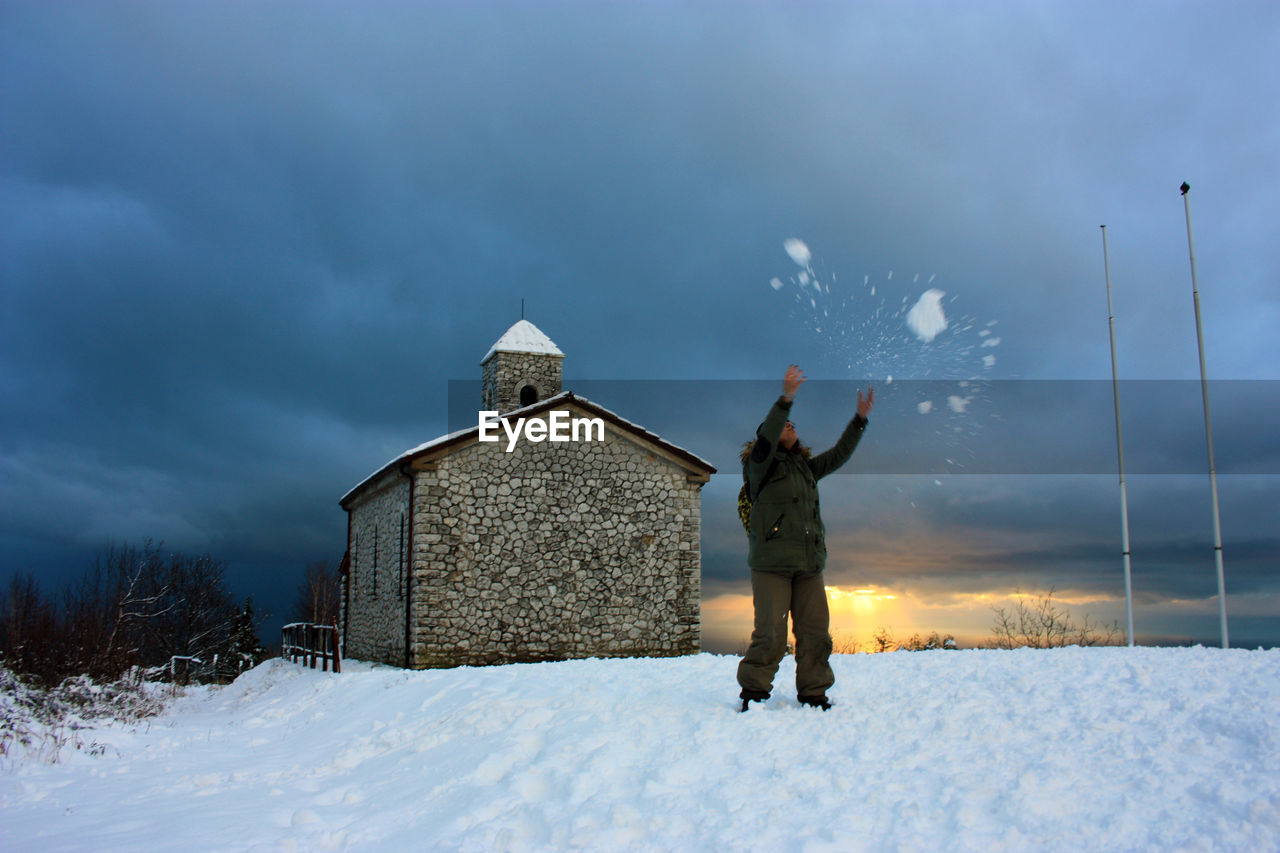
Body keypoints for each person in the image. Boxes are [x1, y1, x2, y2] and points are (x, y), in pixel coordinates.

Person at [737, 364, 873, 711]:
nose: (791, 426)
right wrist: (786, 399)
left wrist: (859, 420)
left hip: (809, 564)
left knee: (815, 634)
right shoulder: (760, 465)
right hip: (771, 565)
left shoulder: (805, 468)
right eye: (786, 425)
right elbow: (768, 436)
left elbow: (839, 455)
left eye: (793, 424)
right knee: (770, 634)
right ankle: (754, 692)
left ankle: (814, 692)